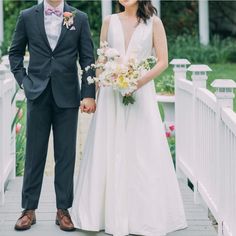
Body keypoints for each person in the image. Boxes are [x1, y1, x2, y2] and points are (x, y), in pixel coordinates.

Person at [71, 0, 187, 235]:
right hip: (112, 97)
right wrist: (98, 89)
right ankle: (103, 214)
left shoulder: (154, 23)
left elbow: (163, 61)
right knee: (108, 148)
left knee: (141, 151)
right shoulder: (109, 21)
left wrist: (137, 82)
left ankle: (142, 217)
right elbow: (101, 61)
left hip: (141, 94)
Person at [9, 0, 96, 231]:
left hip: (67, 95)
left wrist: (89, 93)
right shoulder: (27, 16)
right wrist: (25, 83)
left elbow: (88, 59)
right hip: (37, 94)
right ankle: (29, 209)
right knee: (34, 153)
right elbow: (15, 54)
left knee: (66, 155)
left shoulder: (80, 18)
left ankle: (63, 210)